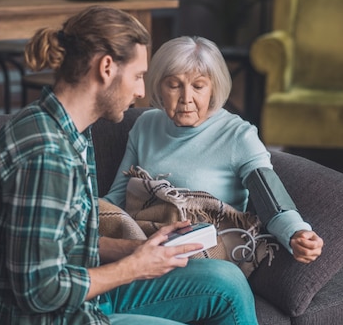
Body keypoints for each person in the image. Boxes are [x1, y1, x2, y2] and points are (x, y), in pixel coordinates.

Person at [0, 7, 266, 325]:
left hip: (74, 303)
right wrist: (135, 267)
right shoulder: (46, 157)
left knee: (224, 280)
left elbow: (64, 244)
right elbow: (39, 291)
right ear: (106, 68)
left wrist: (139, 249)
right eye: (139, 75)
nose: (141, 92)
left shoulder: (67, 130)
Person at [104, 36, 324, 263]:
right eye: (174, 85)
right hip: (146, 246)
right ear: (159, 86)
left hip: (208, 257)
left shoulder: (239, 135)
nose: (186, 98)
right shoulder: (145, 125)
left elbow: (271, 199)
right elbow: (118, 197)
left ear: (213, 88)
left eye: (198, 86)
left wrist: (297, 233)